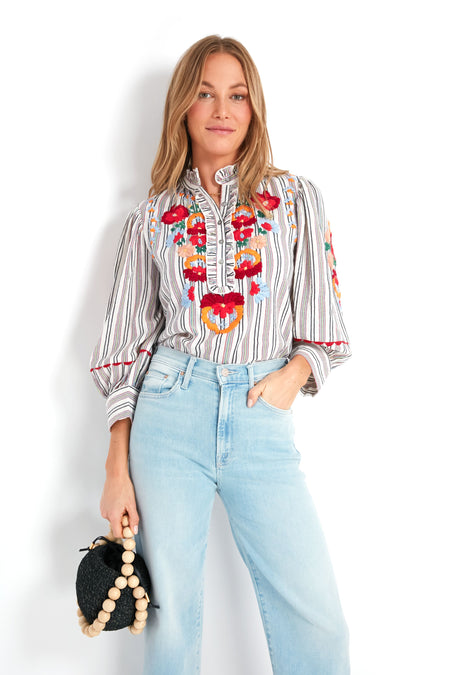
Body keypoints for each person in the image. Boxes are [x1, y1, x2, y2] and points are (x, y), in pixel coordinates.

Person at [90, 34, 352, 675]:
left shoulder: (297, 200)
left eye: (237, 95)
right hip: (167, 416)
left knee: (318, 620)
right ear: (183, 105)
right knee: (171, 621)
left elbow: (327, 328)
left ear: (254, 107)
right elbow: (124, 348)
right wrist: (117, 468)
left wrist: (291, 376)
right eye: (205, 93)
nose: (222, 110)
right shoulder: (150, 219)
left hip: (262, 415)